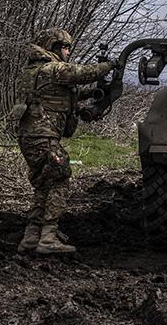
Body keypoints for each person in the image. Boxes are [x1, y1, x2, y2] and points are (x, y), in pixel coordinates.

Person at [10, 28, 117, 254]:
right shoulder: (52, 68)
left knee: (43, 184)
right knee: (60, 180)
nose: (68, 51)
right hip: (43, 137)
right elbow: (79, 73)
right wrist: (111, 65)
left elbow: (63, 95)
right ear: (54, 47)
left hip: (30, 137)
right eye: (66, 47)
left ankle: (31, 236)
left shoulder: (33, 72)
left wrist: (91, 94)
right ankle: (49, 237)